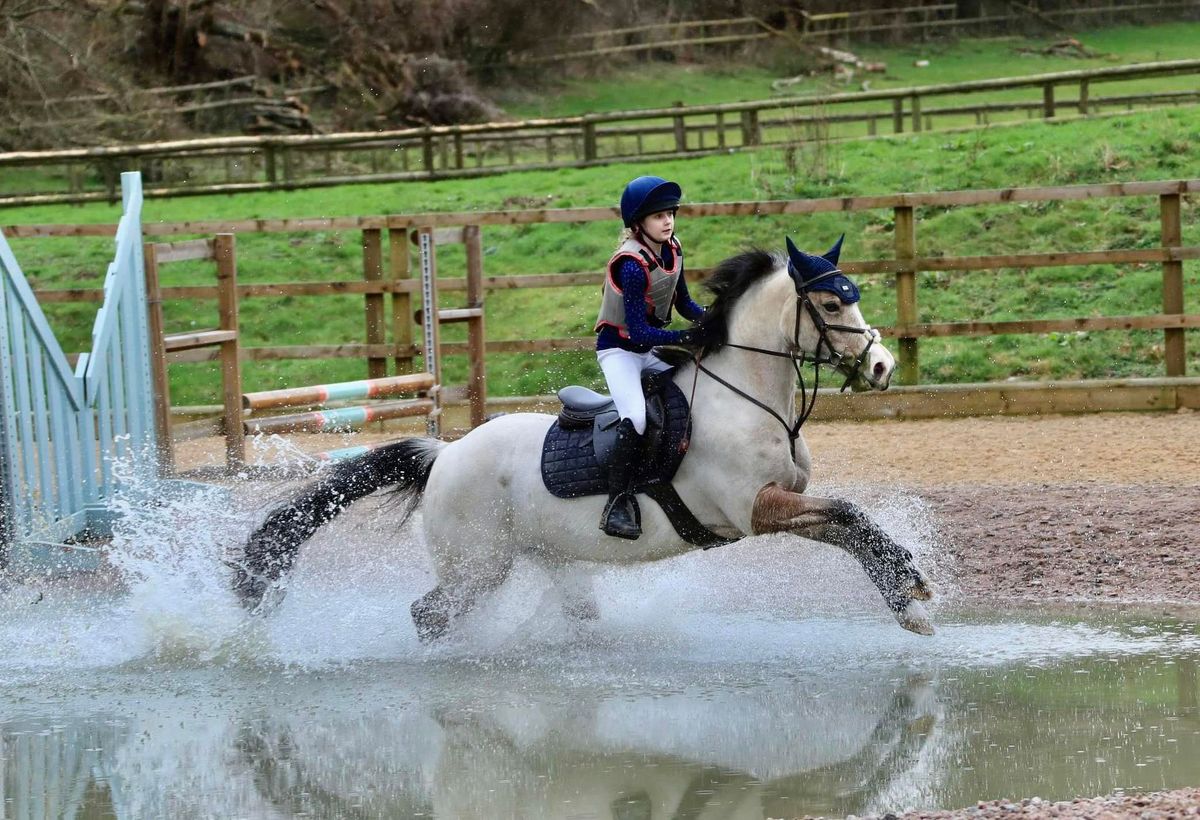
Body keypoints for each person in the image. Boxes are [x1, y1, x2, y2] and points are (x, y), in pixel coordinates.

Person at [594, 175, 709, 540]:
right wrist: (687, 337)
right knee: (637, 417)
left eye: (670, 213)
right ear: (638, 223)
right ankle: (618, 503)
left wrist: (718, 320)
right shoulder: (630, 265)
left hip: (648, 350)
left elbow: (686, 305)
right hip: (620, 352)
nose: (668, 221)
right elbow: (638, 332)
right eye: (658, 216)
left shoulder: (673, 249)